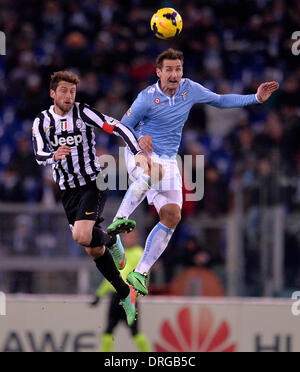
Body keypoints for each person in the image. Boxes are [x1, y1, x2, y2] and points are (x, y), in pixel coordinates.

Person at [107, 48, 279, 296]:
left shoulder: (190, 89)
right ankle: (116, 227)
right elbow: (121, 127)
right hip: (139, 153)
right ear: (158, 72)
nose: (174, 74)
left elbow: (220, 100)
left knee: (172, 215)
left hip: (168, 160)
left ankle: (140, 272)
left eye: (178, 69)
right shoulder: (147, 97)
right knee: (152, 170)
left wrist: (256, 98)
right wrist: (138, 140)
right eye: (169, 70)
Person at [32, 70, 148, 325]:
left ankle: (112, 239)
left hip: (92, 182)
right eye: (63, 91)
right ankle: (123, 291)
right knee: (94, 250)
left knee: (81, 236)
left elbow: (115, 126)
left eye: (72, 91)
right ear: (53, 93)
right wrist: (54, 155)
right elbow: (39, 154)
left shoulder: (83, 113)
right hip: (68, 192)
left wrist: (136, 150)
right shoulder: (41, 121)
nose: (69, 95)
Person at [90, 230, 151, 352]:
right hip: (115, 296)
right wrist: (99, 294)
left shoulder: (140, 253)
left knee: (135, 332)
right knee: (109, 330)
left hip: (130, 297)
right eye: (127, 237)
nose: (129, 239)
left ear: (137, 238)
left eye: (132, 237)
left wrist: (139, 292)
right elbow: (110, 277)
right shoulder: (118, 253)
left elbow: (145, 275)